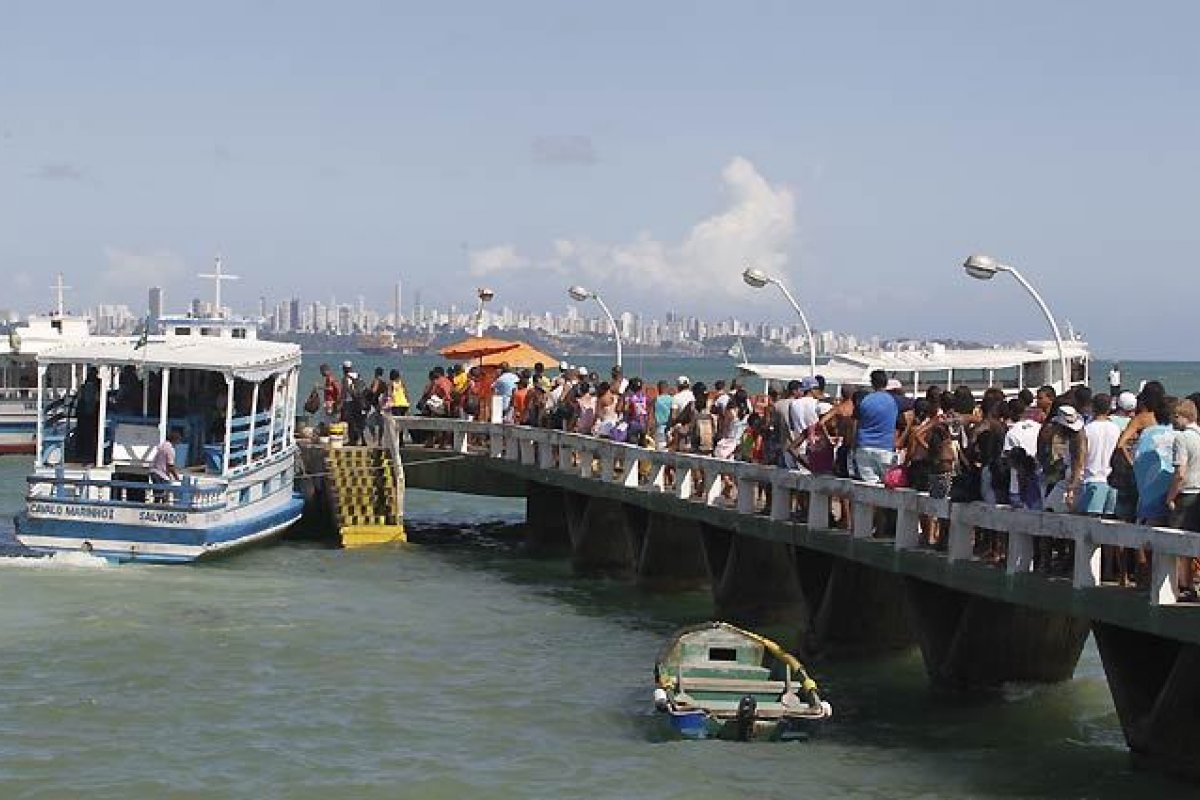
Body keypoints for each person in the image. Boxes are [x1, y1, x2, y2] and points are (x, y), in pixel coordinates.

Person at [1166, 399, 1200, 600]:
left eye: (1175, 417)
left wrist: (1170, 496)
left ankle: (1183, 585)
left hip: (1186, 493)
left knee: (1179, 543)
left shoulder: (1182, 438)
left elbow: (1180, 472)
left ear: (1181, 416)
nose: (1173, 421)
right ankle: (1192, 584)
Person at [853, 370, 898, 484]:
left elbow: (856, 424)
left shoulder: (864, 400)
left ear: (872, 383)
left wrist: (854, 445)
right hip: (885, 448)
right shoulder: (893, 400)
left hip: (864, 446)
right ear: (886, 383)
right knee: (888, 485)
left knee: (869, 486)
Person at [149, 428, 183, 502]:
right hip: (161, 474)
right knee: (164, 494)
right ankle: (163, 508)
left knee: (157, 495)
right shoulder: (170, 449)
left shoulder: (162, 445)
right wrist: (177, 477)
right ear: (175, 440)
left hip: (154, 471)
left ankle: (156, 506)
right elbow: (170, 465)